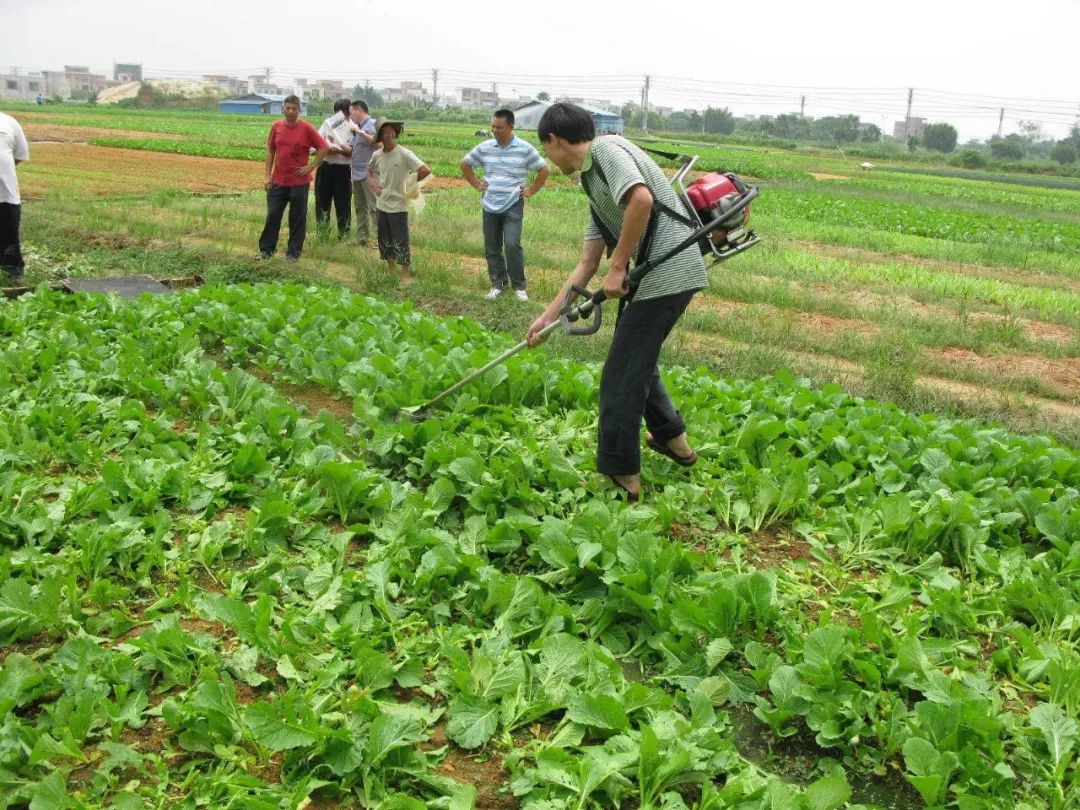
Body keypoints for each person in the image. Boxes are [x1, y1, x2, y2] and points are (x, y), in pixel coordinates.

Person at [525, 103, 706, 502]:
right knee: (637, 363)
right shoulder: (592, 183)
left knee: (621, 377)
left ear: (554, 140)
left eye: (545, 150)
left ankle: (623, 474)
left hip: (666, 272)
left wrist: (619, 266)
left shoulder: (606, 150)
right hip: (653, 275)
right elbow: (587, 263)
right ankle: (676, 444)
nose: (549, 161)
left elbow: (640, 201)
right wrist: (545, 318)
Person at [460, 109, 549, 301]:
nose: (495, 130)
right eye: (493, 126)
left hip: (513, 204)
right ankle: (497, 284)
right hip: (489, 204)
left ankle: (519, 287)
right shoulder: (485, 147)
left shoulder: (524, 148)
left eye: (499, 127)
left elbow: (543, 169)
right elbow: (465, 164)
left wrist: (531, 190)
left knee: (511, 243)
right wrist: (476, 183)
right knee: (492, 246)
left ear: (511, 127)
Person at [258, 95, 329, 261]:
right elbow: (270, 151)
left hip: (299, 183)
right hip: (278, 181)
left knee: (297, 218)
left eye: (294, 109)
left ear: (299, 109)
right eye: (287, 108)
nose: (290, 112)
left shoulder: (307, 128)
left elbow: (324, 147)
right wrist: (267, 176)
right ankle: (266, 251)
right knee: (273, 215)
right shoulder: (276, 126)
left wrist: (311, 166)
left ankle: (293, 254)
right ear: (283, 108)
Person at [367, 118, 430, 283]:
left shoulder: (404, 154)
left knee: (401, 240)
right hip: (382, 205)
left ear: (395, 133)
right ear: (380, 135)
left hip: (399, 206)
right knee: (385, 240)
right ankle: (391, 271)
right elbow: (369, 170)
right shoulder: (377, 155)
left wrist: (411, 184)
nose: (388, 133)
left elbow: (425, 170)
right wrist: (372, 182)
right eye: (384, 131)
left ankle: (405, 275)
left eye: (391, 130)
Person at [315, 98, 354, 240]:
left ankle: (344, 235)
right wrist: (328, 149)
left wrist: (337, 150)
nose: (342, 117)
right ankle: (323, 234)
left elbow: (353, 151)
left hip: (343, 170)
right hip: (325, 167)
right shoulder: (327, 123)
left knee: (343, 203)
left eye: (345, 114)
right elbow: (316, 145)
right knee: (322, 202)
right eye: (339, 113)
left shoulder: (352, 126)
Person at [0, 110, 29, 283]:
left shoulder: (9, 122)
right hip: (7, 195)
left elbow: (19, 156)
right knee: (8, 240)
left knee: (9, 242)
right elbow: (18, 157)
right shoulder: (8, 122)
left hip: (6, 195)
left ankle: (13, 282)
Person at [348, 100, 378, 246]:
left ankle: (381, 240)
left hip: (369, 174)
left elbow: (378, 143)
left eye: (352, 112)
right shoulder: (358, 127)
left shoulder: (371, 124)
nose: (351, 115)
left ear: (359, 110)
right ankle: (362, 238)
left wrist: (359, 131)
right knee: (360, 207)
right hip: (357, 173)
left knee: (374, 207)